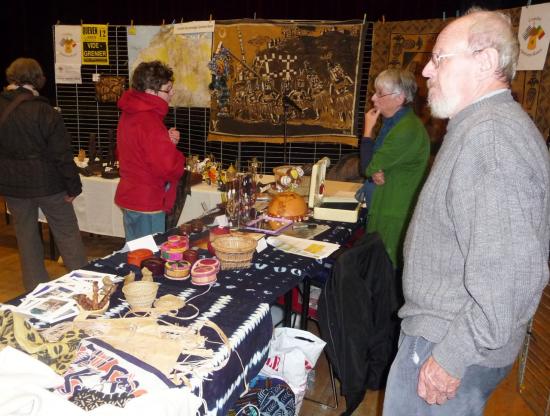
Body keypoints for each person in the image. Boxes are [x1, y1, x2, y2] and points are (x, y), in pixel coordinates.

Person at [383, 8, 550, 416]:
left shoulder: (490, 139)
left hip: (446, 345)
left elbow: (512, 277)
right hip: (449, 336)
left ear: (485, 62)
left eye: (439, 58)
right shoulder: (482, 128)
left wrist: (451, 357)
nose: (425, 70)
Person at [0, 57, 87, 292]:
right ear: (37, 78)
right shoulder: (44, 110)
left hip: (13, 187)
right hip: (49, 185)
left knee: (26, 240)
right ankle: (85, 289)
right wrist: (73, 186)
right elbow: (61, 154)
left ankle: (36, 292)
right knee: (67, 236)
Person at [359, 69, 430, 267]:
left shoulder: (406, 129)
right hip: (386, 204)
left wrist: (367, 132)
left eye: (379, 93)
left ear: (399, 98)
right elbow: (377, 165)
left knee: (386, 270)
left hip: (394, 211)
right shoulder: (393, 123)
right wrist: (377, 171)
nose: (373, 98)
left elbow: (367, 166)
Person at [115, 60, 185, 241]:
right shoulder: (149, 120)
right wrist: (177, 156)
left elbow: (136, 151)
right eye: (167, 89)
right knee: (149, 258)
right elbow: (168, 167)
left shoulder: (130, 113)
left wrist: (165, 141)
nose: (172, 93)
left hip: (131, 195)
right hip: (148, 201)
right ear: (150, 92)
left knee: (135, 252)